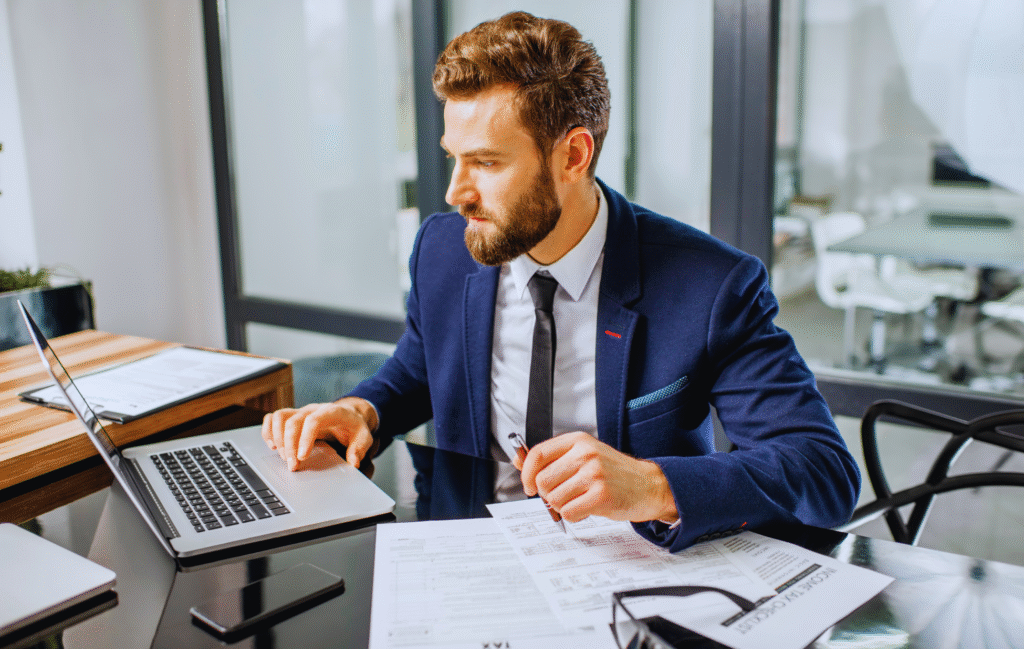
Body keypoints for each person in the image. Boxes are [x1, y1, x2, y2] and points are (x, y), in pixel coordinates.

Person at [262, 11, 860, 552]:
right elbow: (418, 368)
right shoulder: (443, 250)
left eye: (487, 163)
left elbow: (824, 473)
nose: (455, 194)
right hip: (469, 555)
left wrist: (653, 485)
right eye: (454, 157)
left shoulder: (711, 285)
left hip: (631, 577)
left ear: (573, 156)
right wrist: (362, 409)